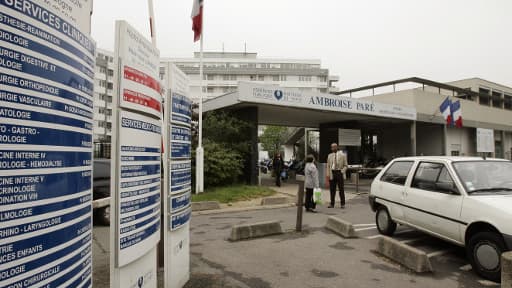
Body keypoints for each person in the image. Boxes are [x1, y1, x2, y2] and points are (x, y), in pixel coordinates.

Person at [326, 143, 348, 208]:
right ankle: (332, 204)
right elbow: (328, 166)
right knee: (332, 190)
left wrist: (342, 171)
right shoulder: (329, 155)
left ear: (337, 147)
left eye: (334, 147)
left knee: (341, 189)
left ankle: (343, 204)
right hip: (332, 173)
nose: (333, 148)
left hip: (339, 173)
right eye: (332, 147)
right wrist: (328, 175)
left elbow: (346, 165)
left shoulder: (343, 155)